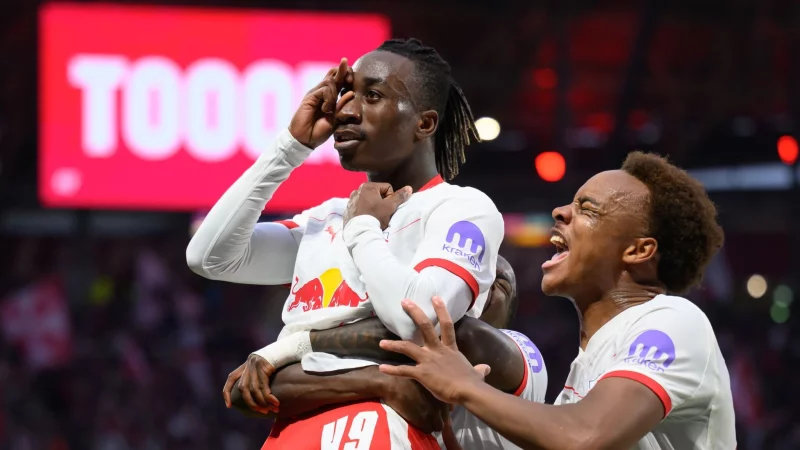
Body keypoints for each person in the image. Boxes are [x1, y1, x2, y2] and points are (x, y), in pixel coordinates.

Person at [186, 38, 504, 449]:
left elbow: (417, 320)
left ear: (424, 124)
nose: (346, 110)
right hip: (291, 436)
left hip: (385, 435)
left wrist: (362, 229)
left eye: (372, 96)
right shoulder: (323, 220)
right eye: (347, 93)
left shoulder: (461, 208)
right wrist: (290, 147)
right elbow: (209, 257)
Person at [378, 153, 736, 449]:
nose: (561, 212)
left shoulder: (674, 320)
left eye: (588, 209)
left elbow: (585, 437)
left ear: (638, 250)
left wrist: (464, 385)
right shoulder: (582, 376)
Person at [228, 255, 548, 450]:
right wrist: (381, 383)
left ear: (510, 313)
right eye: (473, 276)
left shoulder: (520, 350)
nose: (481, 285)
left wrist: (295, 345)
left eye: (499, 284)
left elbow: (463, 333)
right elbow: (270, 389)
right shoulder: (394, 340)